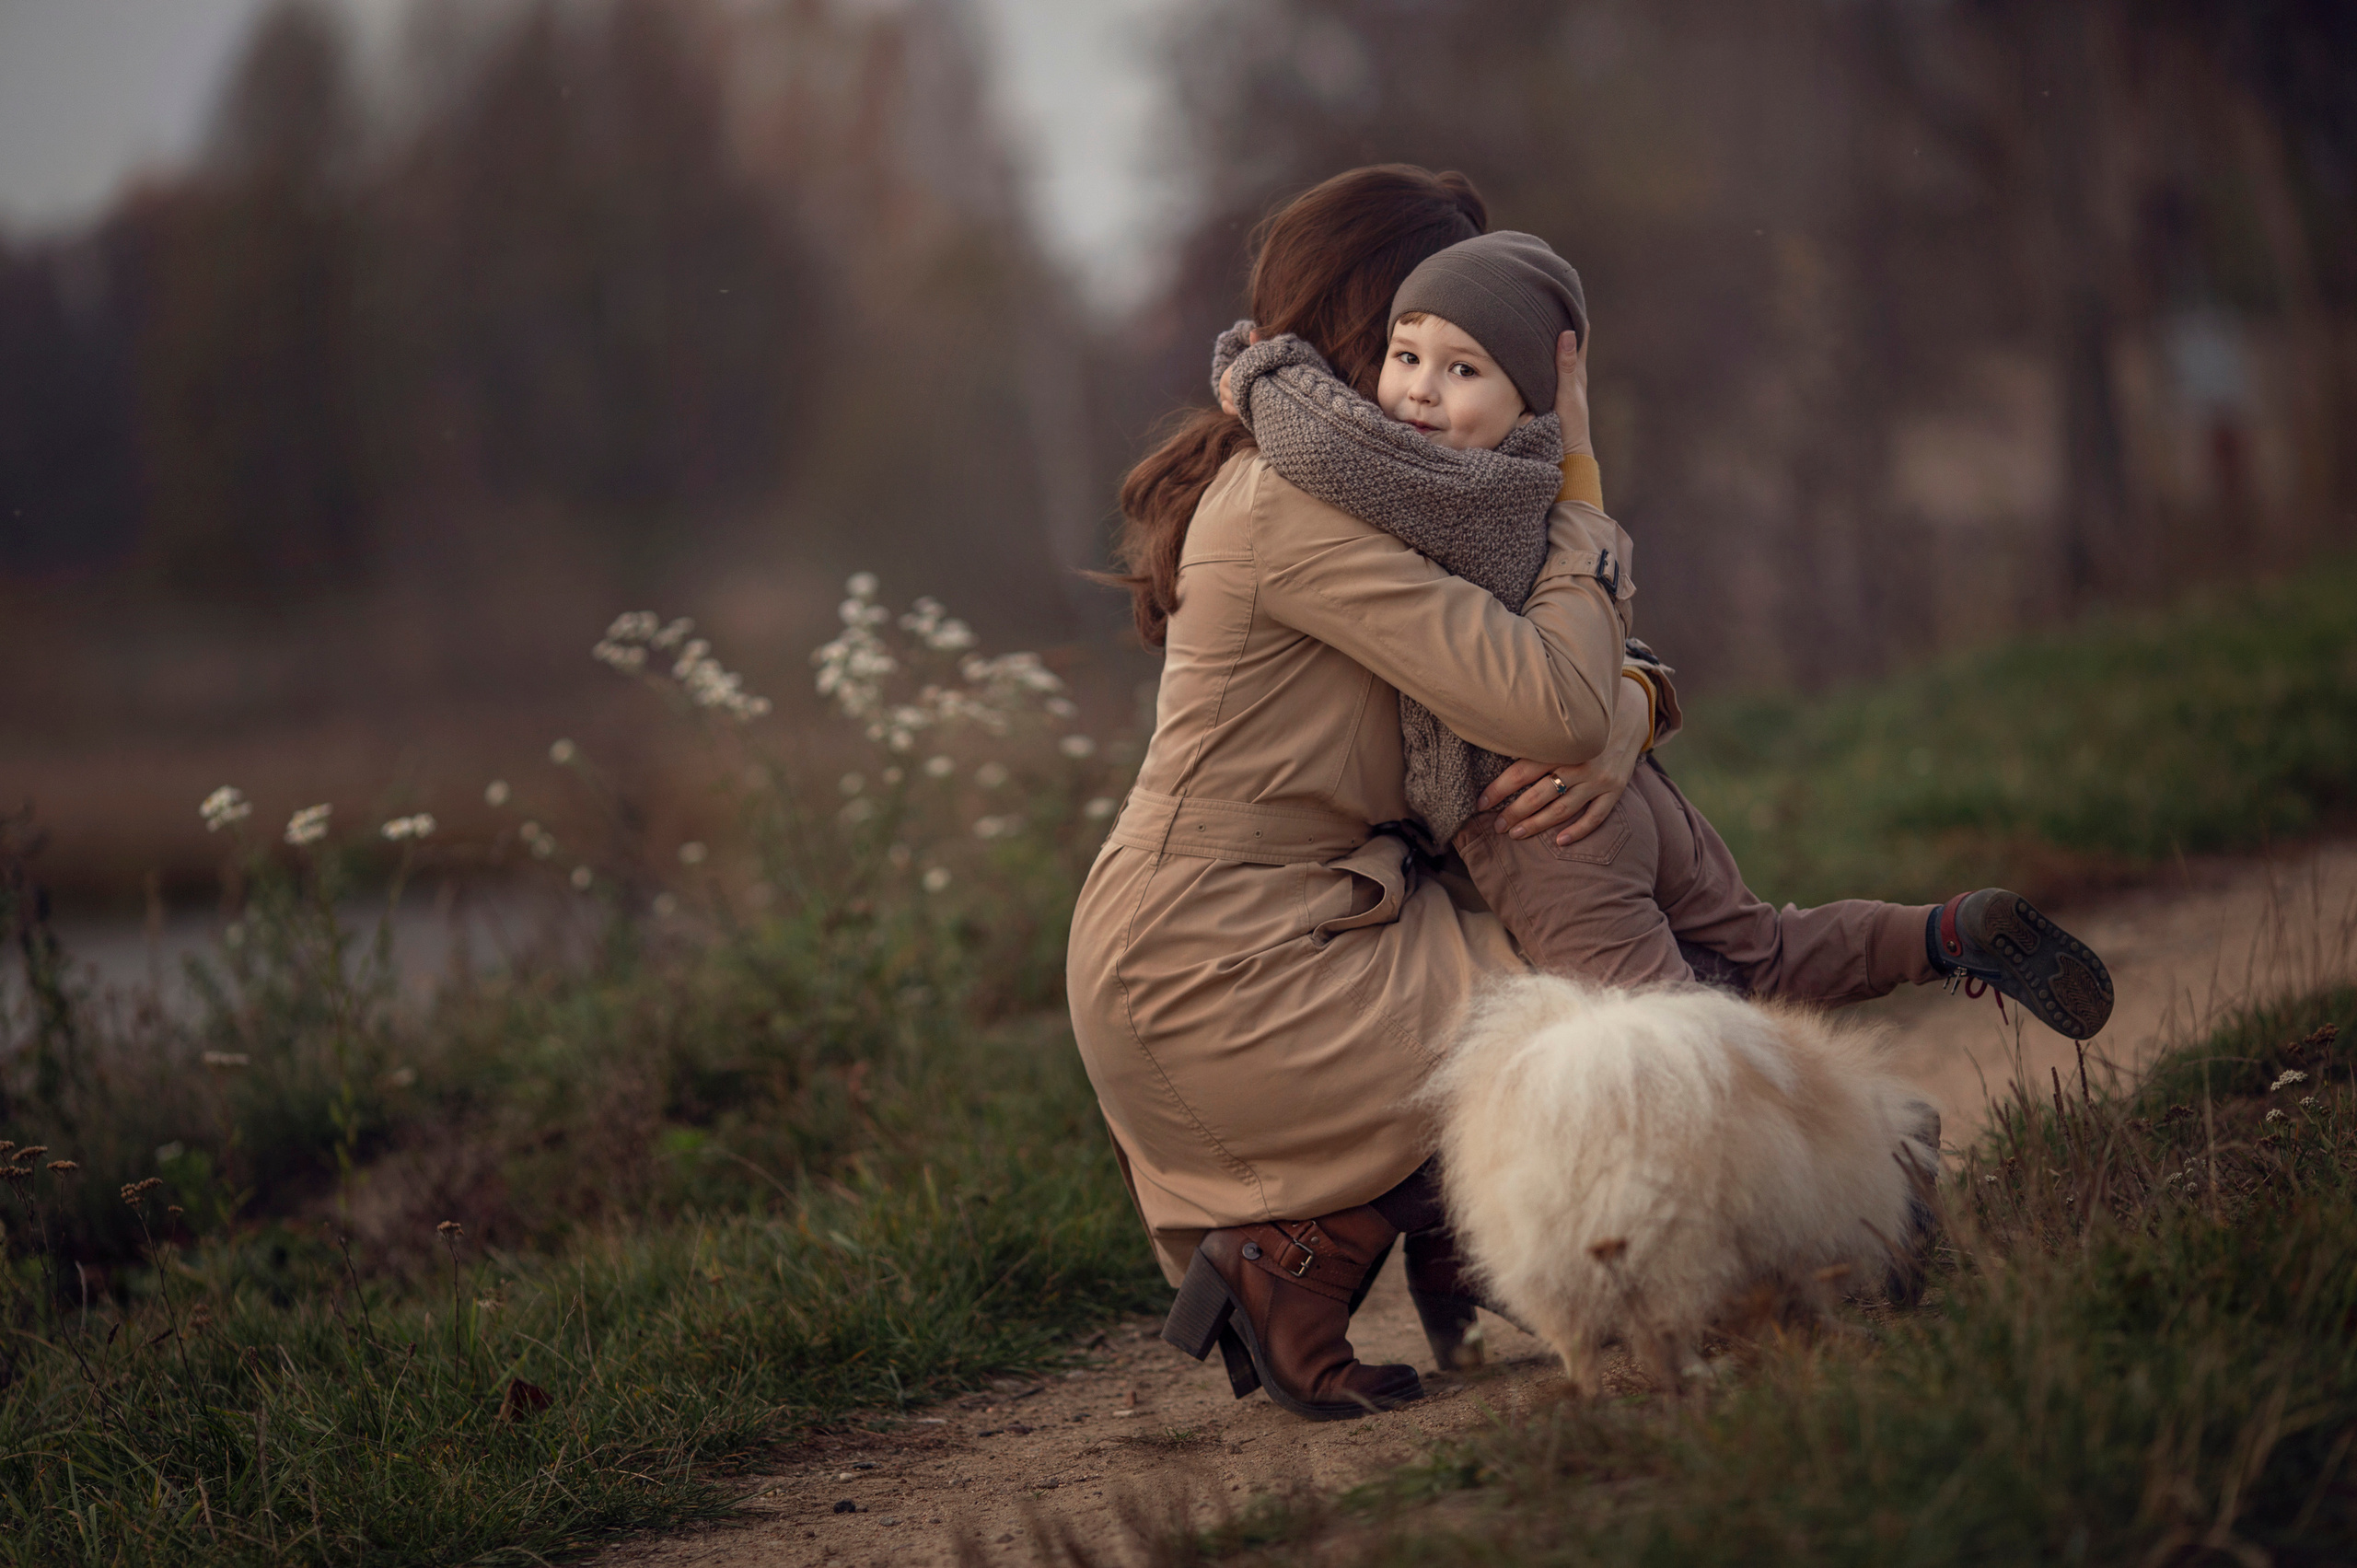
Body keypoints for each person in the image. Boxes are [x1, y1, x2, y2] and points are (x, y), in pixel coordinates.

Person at [1069, 165, 1657, 1421]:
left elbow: (1575, 677)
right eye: (1427, 334)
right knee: (1615, 1020)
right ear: (1369, 325)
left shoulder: (1395, 493)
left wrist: (1637, 713)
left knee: (1604, 931)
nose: (1455, 366)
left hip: (1303, 919)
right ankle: (1324, 1250)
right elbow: (1551, 697)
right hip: (1222, 962)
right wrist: (1584, 484)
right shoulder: (1292, 505)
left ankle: (1397, 1239)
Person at [1215, 229, 2116, 1038]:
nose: (1416, 391)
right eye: (1405, 353)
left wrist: (1252, 372)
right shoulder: (1541, 480)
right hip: (1636, 789)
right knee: (1762, 951)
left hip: (1543, 822)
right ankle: (1945, 932)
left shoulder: (1448, 492)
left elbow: (1322, 450)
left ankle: (1861, 1174)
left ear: (1531, 399)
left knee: (1663, 1041)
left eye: (1463, 370)